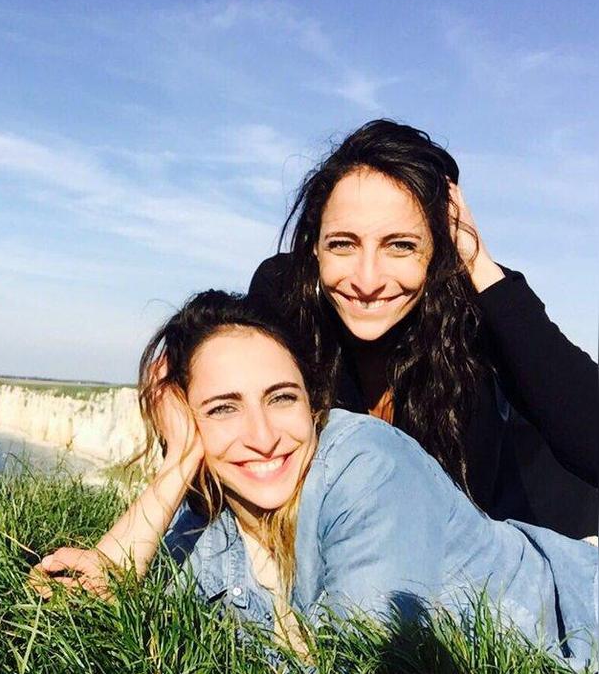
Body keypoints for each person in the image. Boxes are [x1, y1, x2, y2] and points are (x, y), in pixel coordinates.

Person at [31, 291, 598, 667]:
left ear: (312, 401)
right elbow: (95, 608)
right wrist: (178, 465)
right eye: (223, 409)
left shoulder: (367, 465)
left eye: (281, 398)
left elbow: (360, 658)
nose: (263, 436)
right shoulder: (211, 505)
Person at [247, 119, 597, 537]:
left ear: (438, 249)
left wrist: (478, 265)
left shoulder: (475, 308)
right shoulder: (286, 298)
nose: (368, 280)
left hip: (540, 536)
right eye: (343, 244)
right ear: (314, 246)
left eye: (401, 246)